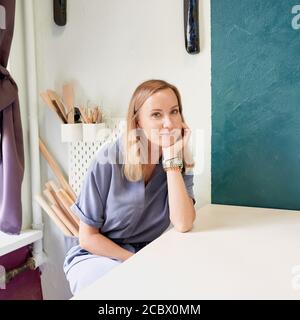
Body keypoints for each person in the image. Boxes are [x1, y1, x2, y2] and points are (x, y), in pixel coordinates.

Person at [63, 79, 196, 295]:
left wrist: (171, 161)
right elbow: (87, 238)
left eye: (174, 112)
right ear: (138, 122)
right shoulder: (107, 160)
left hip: (150, 254)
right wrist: (134, 261)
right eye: (156, 114)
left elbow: (183, 223)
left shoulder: (179, 159)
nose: (169, 123)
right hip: (98, 257)